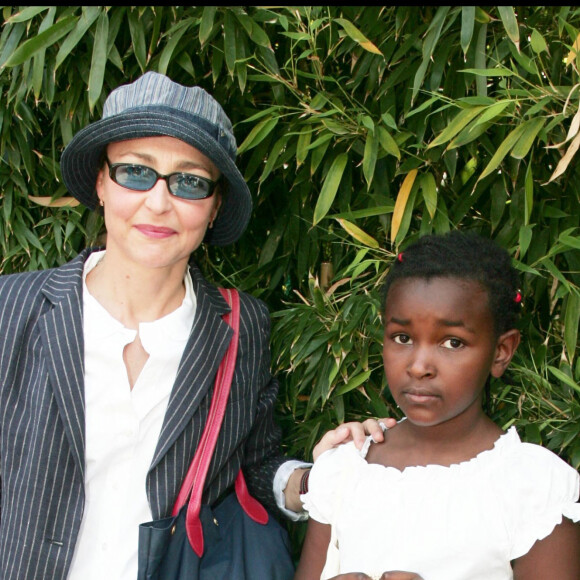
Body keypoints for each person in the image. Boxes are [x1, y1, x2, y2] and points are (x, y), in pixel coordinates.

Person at [0, 72, 389, 580]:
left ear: (214, 204)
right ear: (101, 181)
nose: (159, 202)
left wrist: (324, 478)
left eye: (189, 182)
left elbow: (253, 467)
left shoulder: (240, 324)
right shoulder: (13, 305)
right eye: (136, 172)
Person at [295, 231, 580, 580]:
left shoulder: (532, 487)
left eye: (453, 342)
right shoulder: (344, 472)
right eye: (402, 338)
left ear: (501, 351)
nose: (418, 366)